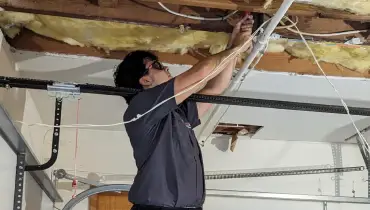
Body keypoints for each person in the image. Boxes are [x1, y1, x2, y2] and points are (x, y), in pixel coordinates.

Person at [113, 14, 254, 210]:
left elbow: (214, 88)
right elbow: (201, 73)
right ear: (145, 80)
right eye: (158, 66)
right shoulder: (141, 106)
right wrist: (236, 48)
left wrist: (234, 43)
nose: (167, 68)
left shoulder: (178, 113)